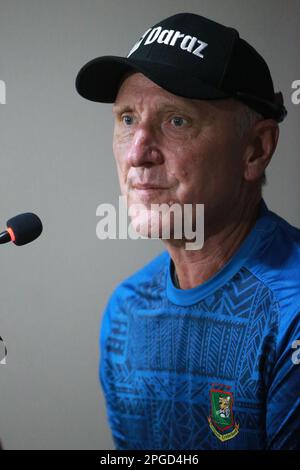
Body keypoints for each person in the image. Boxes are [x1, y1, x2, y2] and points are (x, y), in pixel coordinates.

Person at [75, 12, 300, 450]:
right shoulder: (125, 313)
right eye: (126, 119)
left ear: (255, 149)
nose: (137, 153)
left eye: (176, 121)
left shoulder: (292, 315)